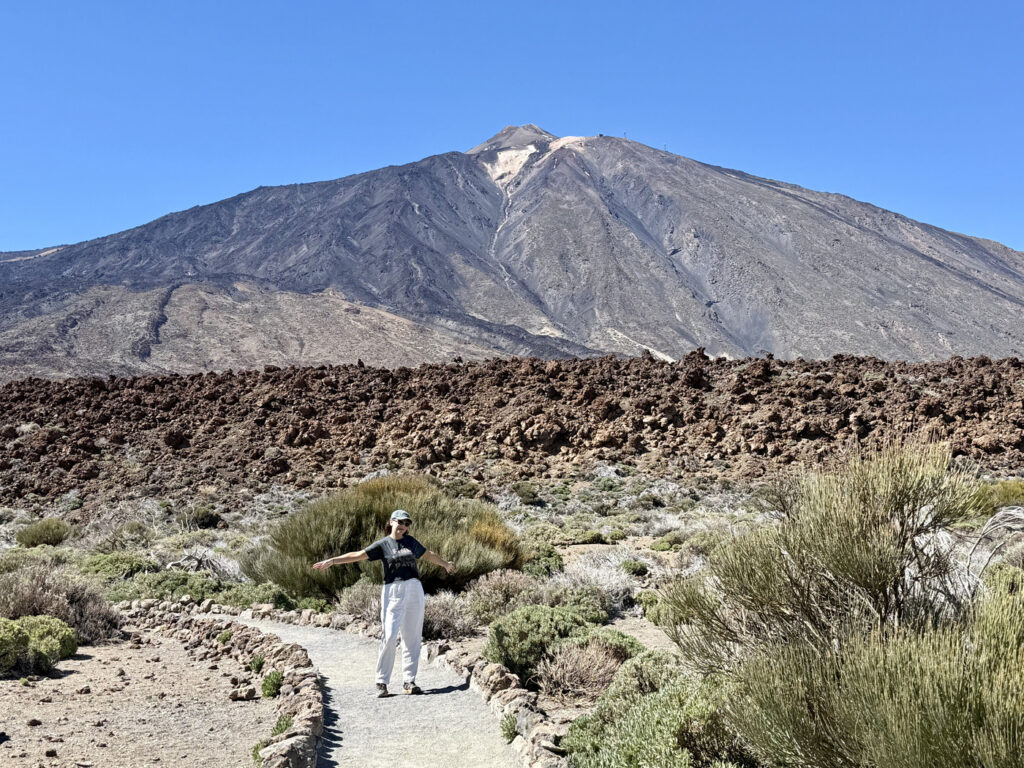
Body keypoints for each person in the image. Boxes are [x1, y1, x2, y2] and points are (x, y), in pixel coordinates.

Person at [312, 509, 456, 697]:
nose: (404, 526)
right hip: (393, 590)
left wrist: (445, 564)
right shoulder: (383, 545)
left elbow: (428, 554)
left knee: (412, 637)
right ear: (392, 522)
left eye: (407, 524)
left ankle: (409, 681)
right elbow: (358, 554)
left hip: (414, 589)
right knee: (389, 634)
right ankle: (382, 682)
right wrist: (332, 561)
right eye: (401, 522)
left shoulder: (410, 542)